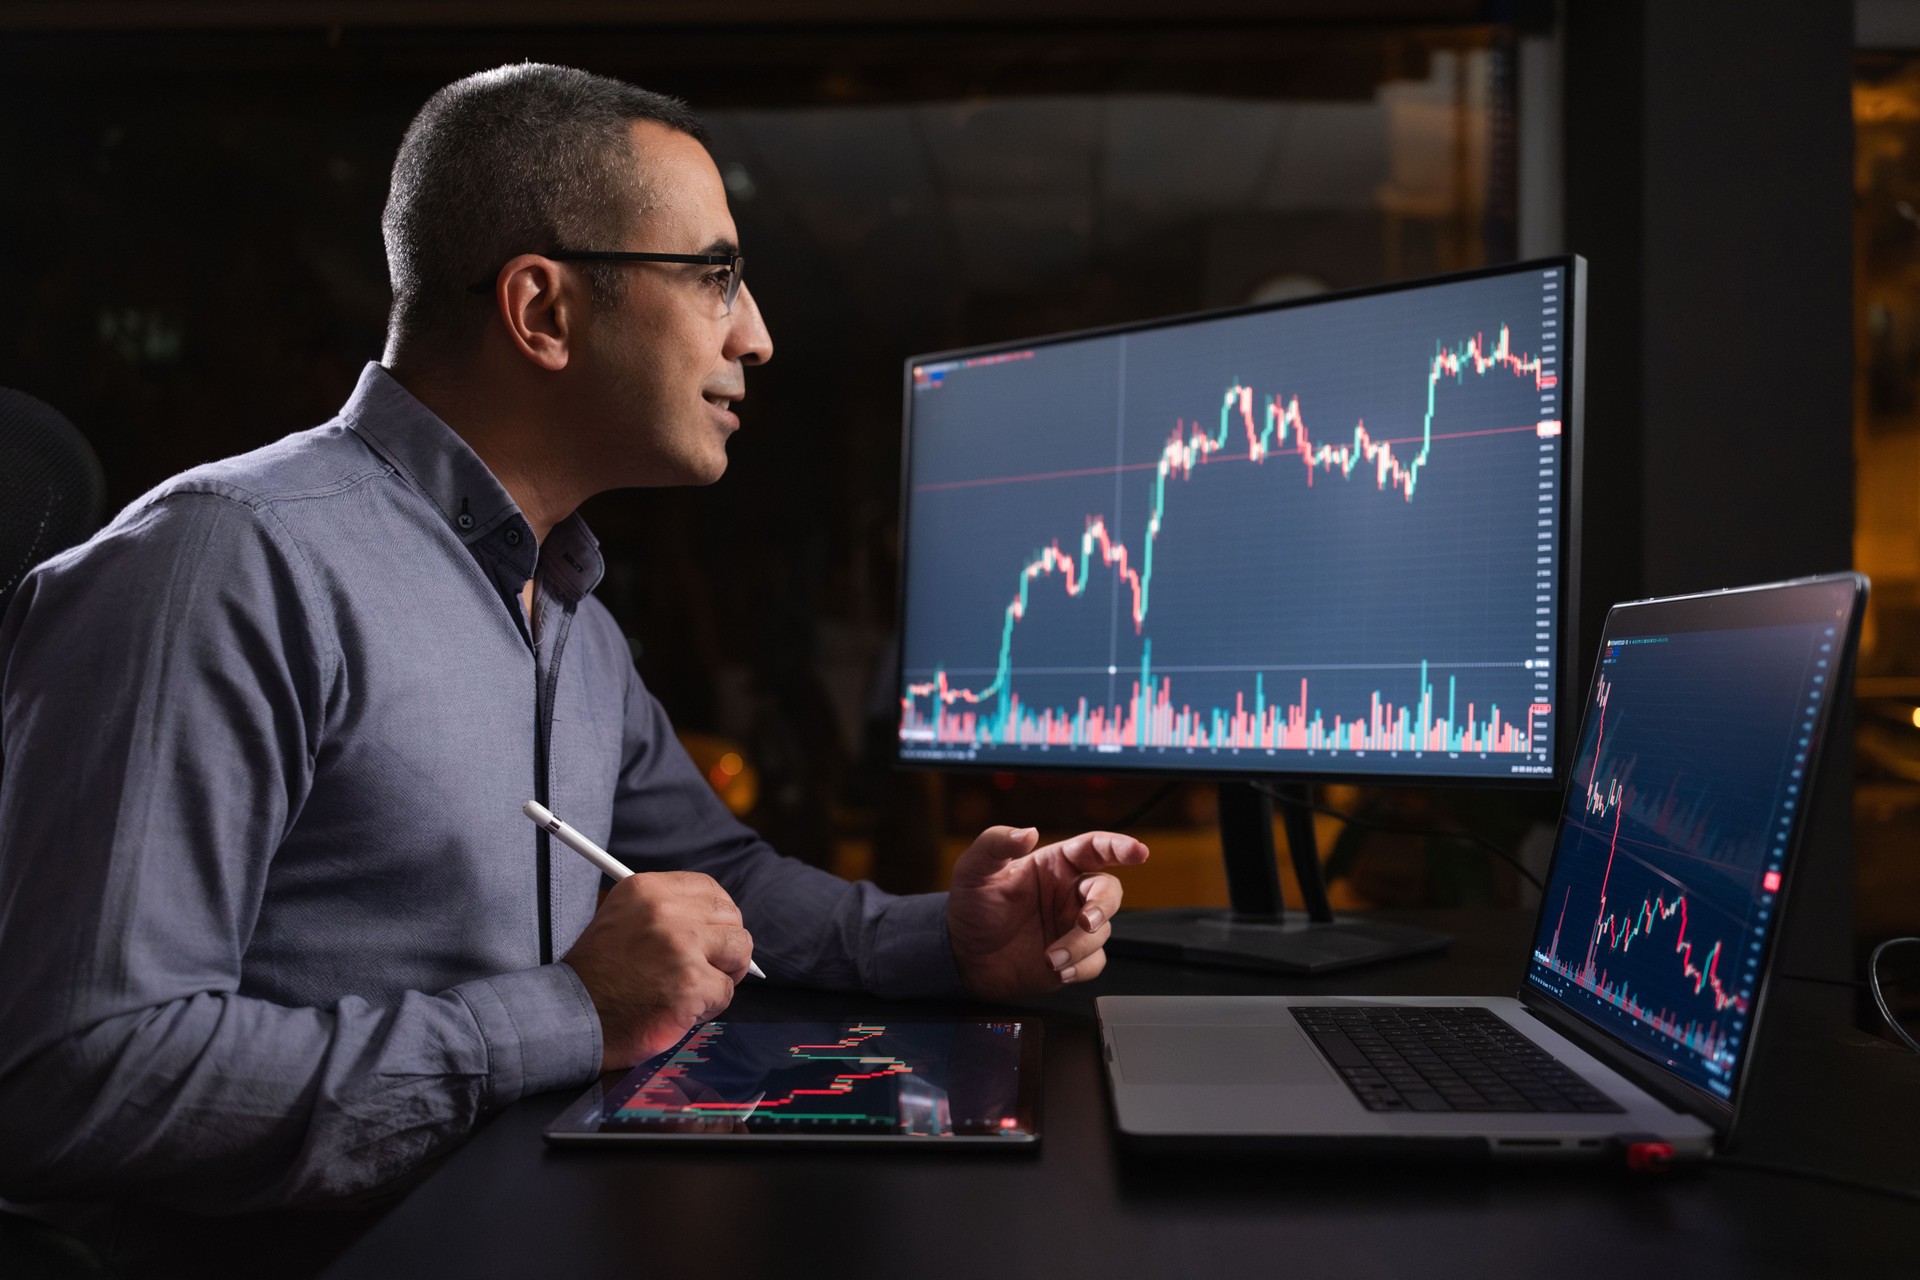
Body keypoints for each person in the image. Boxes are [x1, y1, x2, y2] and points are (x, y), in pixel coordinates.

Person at [0, 63, 1147, 1213]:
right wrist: (569, 1012)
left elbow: (726, 877)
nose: (759, 335)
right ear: (543, 310)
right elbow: (71, 1081)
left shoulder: (575, 617)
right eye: (717, 276)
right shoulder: (220, 567)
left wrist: (947, 942)